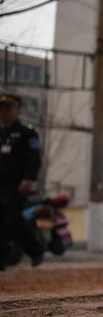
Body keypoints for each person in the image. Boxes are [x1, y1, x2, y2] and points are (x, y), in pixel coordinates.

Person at [0, 93, 45, 269]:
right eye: (1, 109)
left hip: (17, 186)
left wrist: (28, 179)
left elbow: (34, 159)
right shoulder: (1, 133)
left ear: (17, 110)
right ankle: (1, 261)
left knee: (12, 219)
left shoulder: (27, 133)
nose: (3, 112)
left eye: (7, 109)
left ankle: (35, 250)